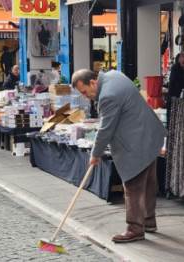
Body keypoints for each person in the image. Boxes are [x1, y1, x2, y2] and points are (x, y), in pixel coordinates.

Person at [72, 69, 166, 243]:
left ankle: (135, 229)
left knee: (133, 186)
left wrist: (96, 153)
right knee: (149, 183)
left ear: (93, 82)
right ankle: (148, 221)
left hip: (136, 142)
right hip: (149, 135)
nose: (86, 97)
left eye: (85, 92)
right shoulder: (114, 75)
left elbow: (106, 129)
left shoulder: (107, 96)